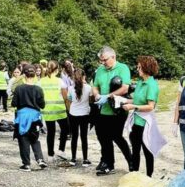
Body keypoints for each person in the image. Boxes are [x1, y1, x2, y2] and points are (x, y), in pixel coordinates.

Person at [91, 46, 133, 176]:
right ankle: (108, 163)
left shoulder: (122, 68)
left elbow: (125, 88)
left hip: (118, 110)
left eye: (105, 60)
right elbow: (95, 86)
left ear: (113, 57)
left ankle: (131, 162)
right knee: (104, 138)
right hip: (103, 110)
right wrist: (97, 95)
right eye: (101, 60)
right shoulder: (100, 71)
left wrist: (108, 96)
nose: (103, 62)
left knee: (116, 136)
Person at [124, 55, 160, 177]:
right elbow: (136, 100)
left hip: (145, 124)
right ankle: (134, 176)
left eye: (139, 67)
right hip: (136, 122)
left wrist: (133, 107)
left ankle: (149, 177)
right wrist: (122, 101)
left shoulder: (151, 85)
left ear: (146, 67)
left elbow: (150, 106)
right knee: (135, 150)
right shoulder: (140, 82)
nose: (137, 69)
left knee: (147, 151)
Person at [11, 64, 47, 170]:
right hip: (35, 118)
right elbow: (42, 105)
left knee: (23, 140)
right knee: (34, 139)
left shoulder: (19, 88)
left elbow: (14, 103)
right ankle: (40, 159)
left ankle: (26, 164)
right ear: (34, 75)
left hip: (22, 117)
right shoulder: (38, 89)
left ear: (24, 75)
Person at [39, 60, 68, 160]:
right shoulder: (60, 81)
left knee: (50, 133)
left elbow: (39, 95)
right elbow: (65, 96)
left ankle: (50, 154)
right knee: (65, 129)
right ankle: (61, 150)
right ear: (57, 69)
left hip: (47, 110)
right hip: (59, 110)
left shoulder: (41, 81)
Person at [65, 67, 93, 167]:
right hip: (85, 114)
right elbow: (91, 100)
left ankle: (73, 158)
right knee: (84, 137)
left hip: (73, 113)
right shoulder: (89, 88)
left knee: (74, 137)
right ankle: (85, 159)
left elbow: (69, 100)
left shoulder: (70, 88)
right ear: (84, 76)